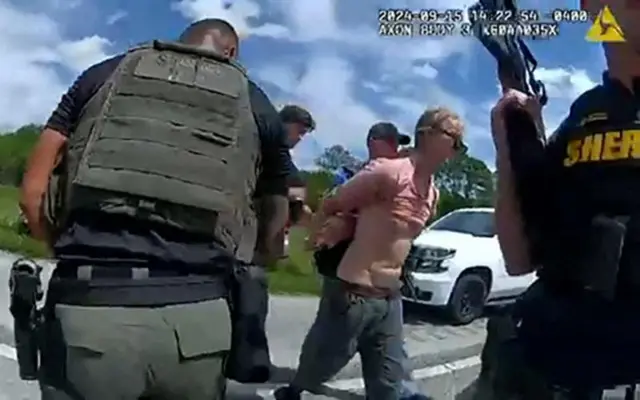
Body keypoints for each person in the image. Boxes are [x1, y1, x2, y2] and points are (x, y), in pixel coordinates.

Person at [19, 18, 293, 399]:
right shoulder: (256, 101)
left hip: (90, 307)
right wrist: (256, 259)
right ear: (230, 53)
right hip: (201, 316)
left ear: (179, 41)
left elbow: (32, 190)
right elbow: (277, 217)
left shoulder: (106, 73)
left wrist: (58, 246)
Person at [485, 0, 640, 397]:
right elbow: (519, 257)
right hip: (552, 367)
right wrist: (511, 148)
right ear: (593, 9)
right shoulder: (582, 116)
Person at [274, 107, 465, 400]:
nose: (459, 146)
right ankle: (294, 390)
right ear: (427, 135)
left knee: (389, 382)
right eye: (455, 137)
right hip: (354, 293)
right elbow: (333, 203)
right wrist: (325, 233)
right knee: (322, 361)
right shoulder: (388, 173)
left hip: (390, 298)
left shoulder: (433, 193)